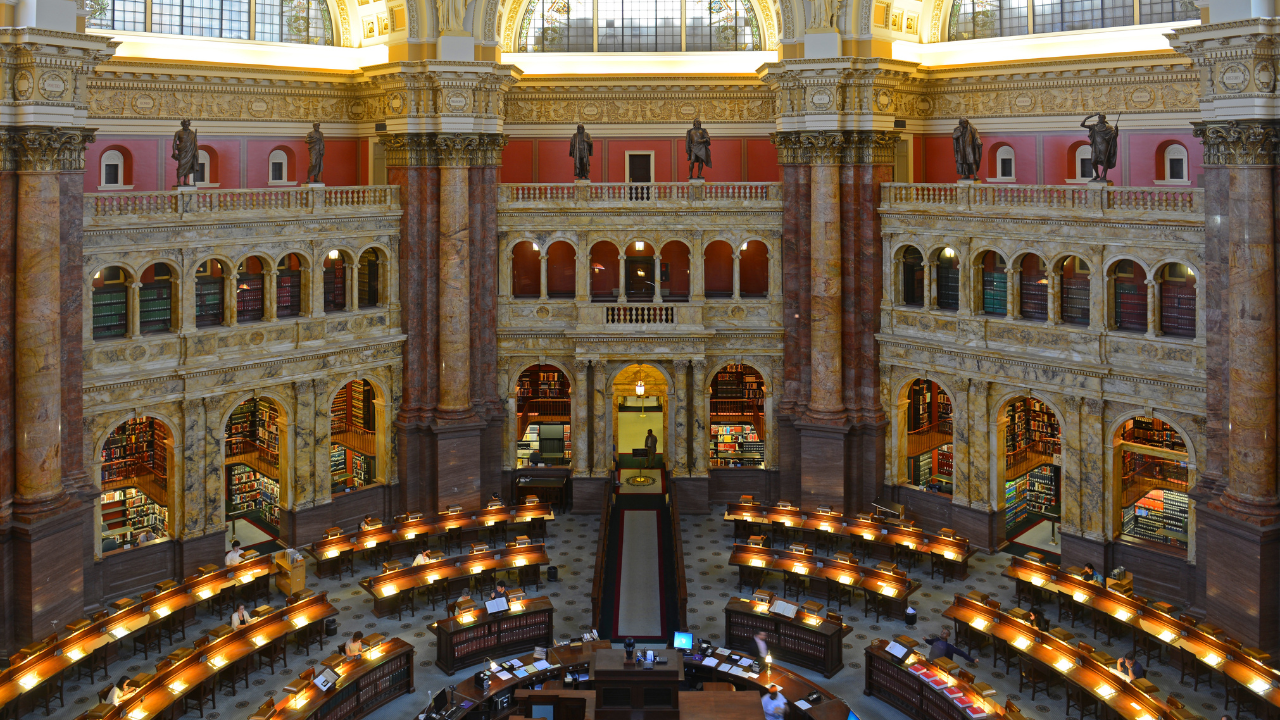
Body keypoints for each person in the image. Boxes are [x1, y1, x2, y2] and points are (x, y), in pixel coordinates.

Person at [1080, 113, 1119, 183]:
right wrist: (1089, 117)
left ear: (1104, 119)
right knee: (1093, 161)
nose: (1100, 119)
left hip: (1104, 145)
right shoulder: (1094, 126)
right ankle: (1097, 175)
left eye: (1102, 118)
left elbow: (1114, 136)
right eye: (1099, 118)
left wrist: (1116, 130)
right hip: (1096, 146)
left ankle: (1104, 176)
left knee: (1105, 160)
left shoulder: (1109, 127)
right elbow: (1082, 125)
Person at [171, 119, 198, 186]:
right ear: (182, 124)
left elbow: (195, 143)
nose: (186, 126)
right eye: (185, 124)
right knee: (181, 166)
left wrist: (195, 151)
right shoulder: (178, 132)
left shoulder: (192, 133)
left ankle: (185, 181)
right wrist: (174, 152)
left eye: (187, 124)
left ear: (189, 124)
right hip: (182, 152)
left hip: (190, 152)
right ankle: (179, 181)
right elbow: (174, 143)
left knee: (188, 167)